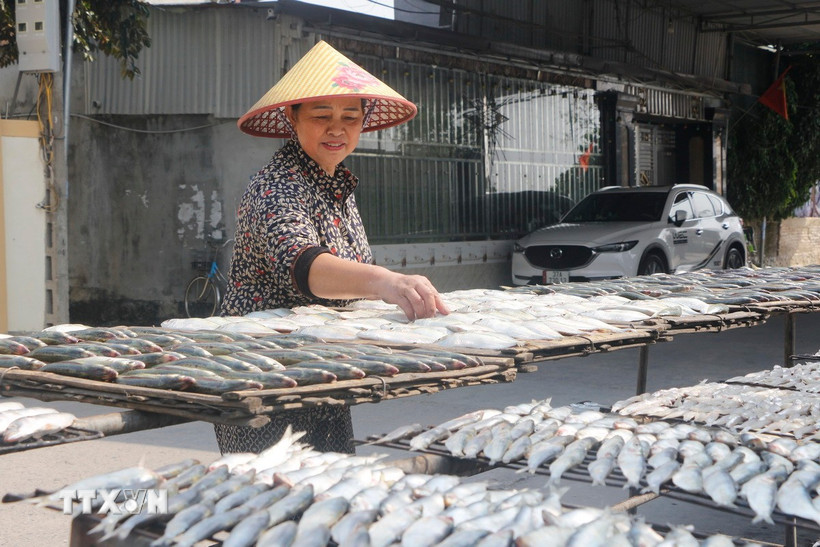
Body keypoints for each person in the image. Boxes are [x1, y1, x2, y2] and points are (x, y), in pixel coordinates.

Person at [215, 40, 449, 454]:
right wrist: (384, 281)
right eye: (322, 115)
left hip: (325, 372)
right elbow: (306, 267)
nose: (337, 129)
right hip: (266, 378)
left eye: (350, 117)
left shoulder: (338, 185)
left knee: (330, 501)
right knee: (270, 505)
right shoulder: (276, 185)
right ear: (292, 117)